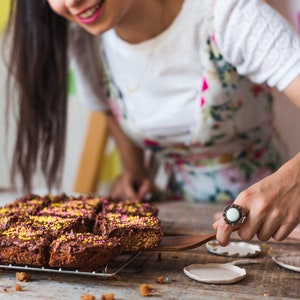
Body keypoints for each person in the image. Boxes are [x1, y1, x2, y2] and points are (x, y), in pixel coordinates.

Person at [4, 0, 300, 245]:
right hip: (182, 222)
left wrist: (293, 181)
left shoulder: (228, 16)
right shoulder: (87, 43)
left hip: (279, 227)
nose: (71, 2)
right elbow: (111, 109)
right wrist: (134, 171)